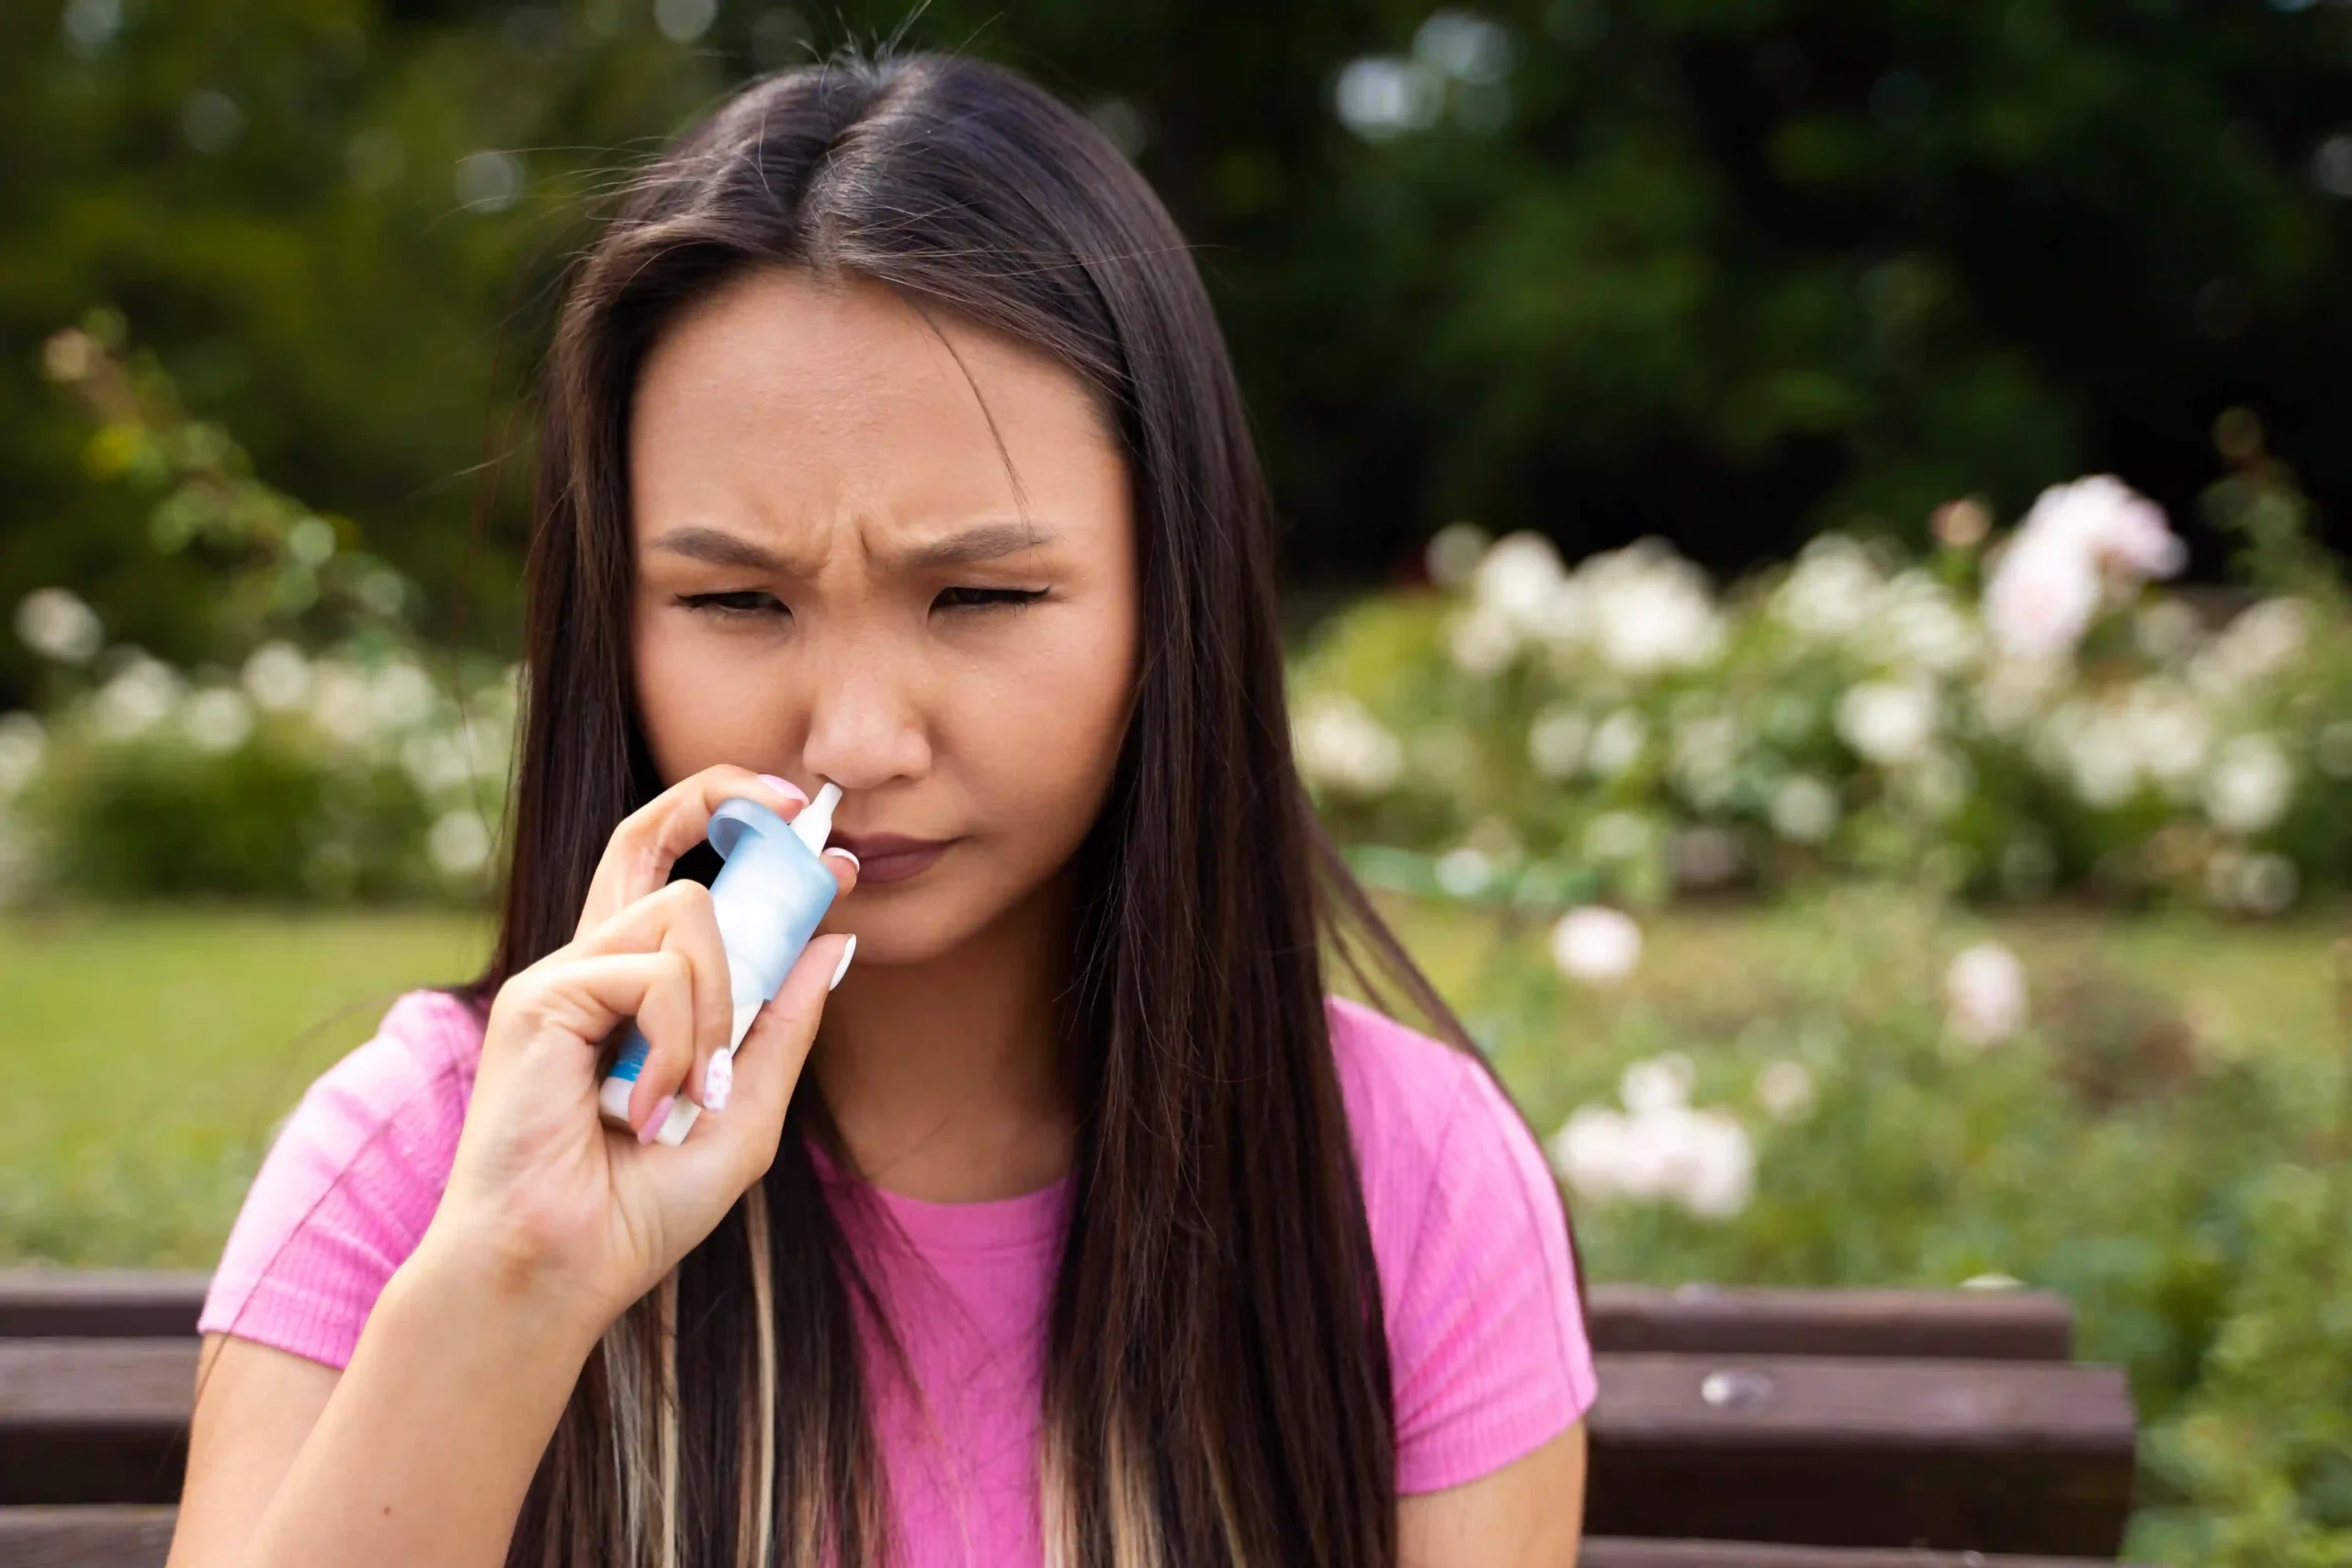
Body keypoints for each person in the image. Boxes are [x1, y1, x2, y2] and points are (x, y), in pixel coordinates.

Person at [166, 51, 1594, 1568]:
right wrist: (518, 1277)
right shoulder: (429, 1156)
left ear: (1174, 594)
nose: (855, 736)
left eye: (978, 593)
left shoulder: (1405, 1175)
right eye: (733, 599)